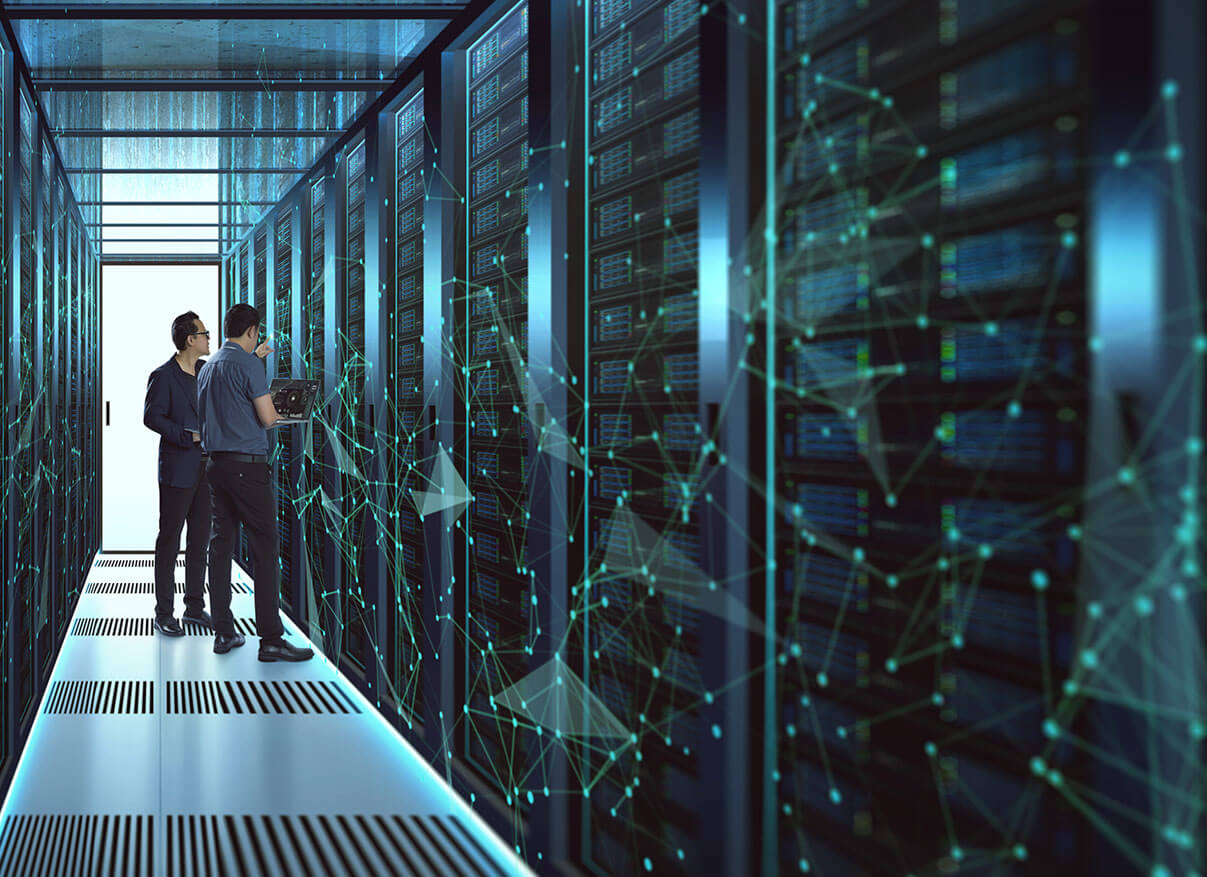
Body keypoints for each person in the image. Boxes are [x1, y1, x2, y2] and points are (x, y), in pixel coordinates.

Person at [198, 303, 313, 661]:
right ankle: (271, 640)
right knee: (265, 548)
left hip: (216, 466)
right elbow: (266, 418)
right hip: (248, 468)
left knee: (220, 547)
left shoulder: (209, 367)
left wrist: (255, 358)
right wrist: (288, 412)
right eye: (257, 335)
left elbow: (227, 403)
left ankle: (224, 633)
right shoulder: (248, 365)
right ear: (253, 332)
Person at [143, 311, 214, 636]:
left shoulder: (205, 371)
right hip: (177, 469)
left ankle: (195, 608)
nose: (208, 338)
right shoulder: (163, 375)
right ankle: (164, 613)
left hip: (206, 469)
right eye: (204, 333)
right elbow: (151, 417)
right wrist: (188, 436)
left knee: (200, 541)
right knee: (169, 541)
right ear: (190, 340)